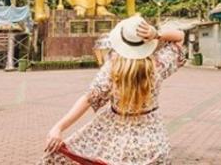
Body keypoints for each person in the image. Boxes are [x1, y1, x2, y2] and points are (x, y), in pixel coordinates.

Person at [40, 15, 185, 164]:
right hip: (150, 136)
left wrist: (58, 127)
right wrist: (157, 34)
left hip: (113, 130)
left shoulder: (112, 69)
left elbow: (89, 99)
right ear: (147, 42)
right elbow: (180, 37)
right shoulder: (159, 64)